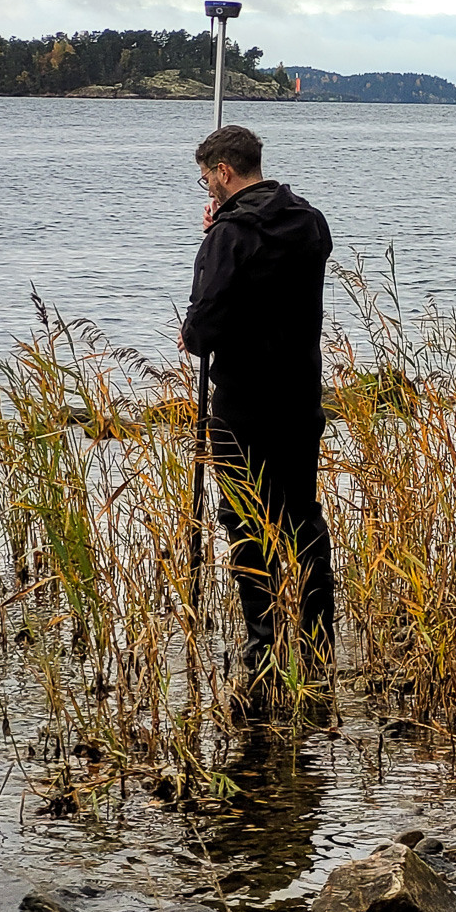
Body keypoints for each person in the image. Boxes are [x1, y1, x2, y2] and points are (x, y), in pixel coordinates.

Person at [180, 124, 335, 667]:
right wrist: (222, 227)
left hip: (244, 402)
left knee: (245, 518)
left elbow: (203, 332)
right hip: (299, 396)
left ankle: (264, 641)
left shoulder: (229, 236)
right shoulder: (311, 222)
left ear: (224, 171)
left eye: (206, 182)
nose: (207, 191)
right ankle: (318, 639)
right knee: (301, 516)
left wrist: (215, 239)